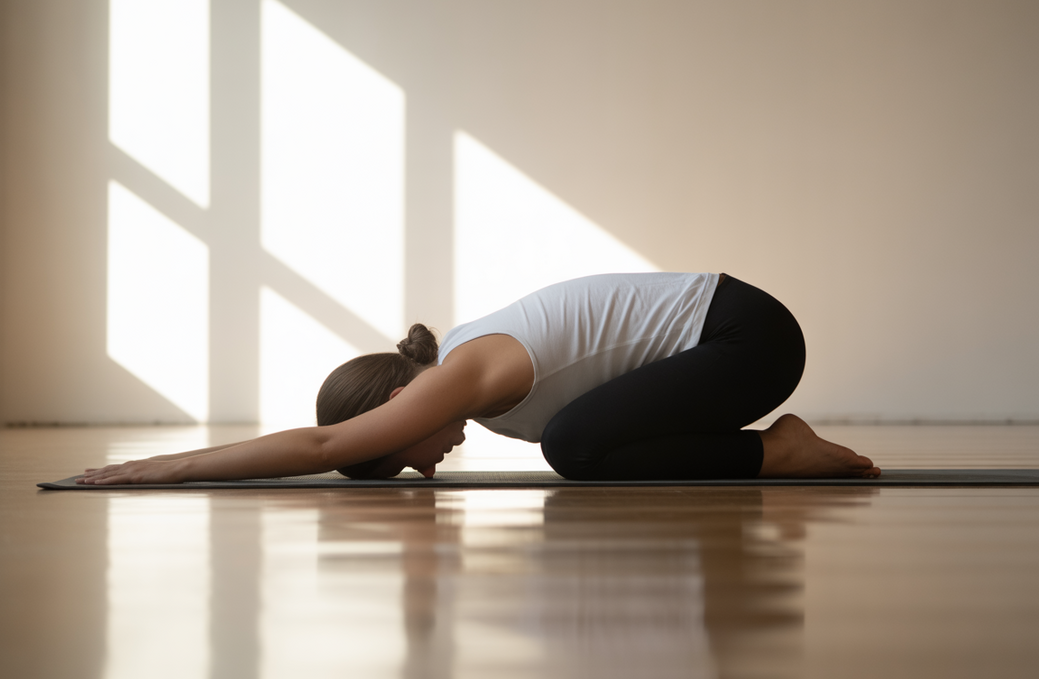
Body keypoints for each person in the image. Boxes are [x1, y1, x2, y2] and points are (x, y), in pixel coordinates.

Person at [78, 273, 880, 485]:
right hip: (730, 342)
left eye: (402, 454)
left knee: (572, 446)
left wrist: (166, 466)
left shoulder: (462, 370)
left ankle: (777, 453)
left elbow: (323, 442)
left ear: (399, 401)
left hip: (747, 335)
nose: (428, 465)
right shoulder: (481, 391)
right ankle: (768, 449)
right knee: (578, 445)